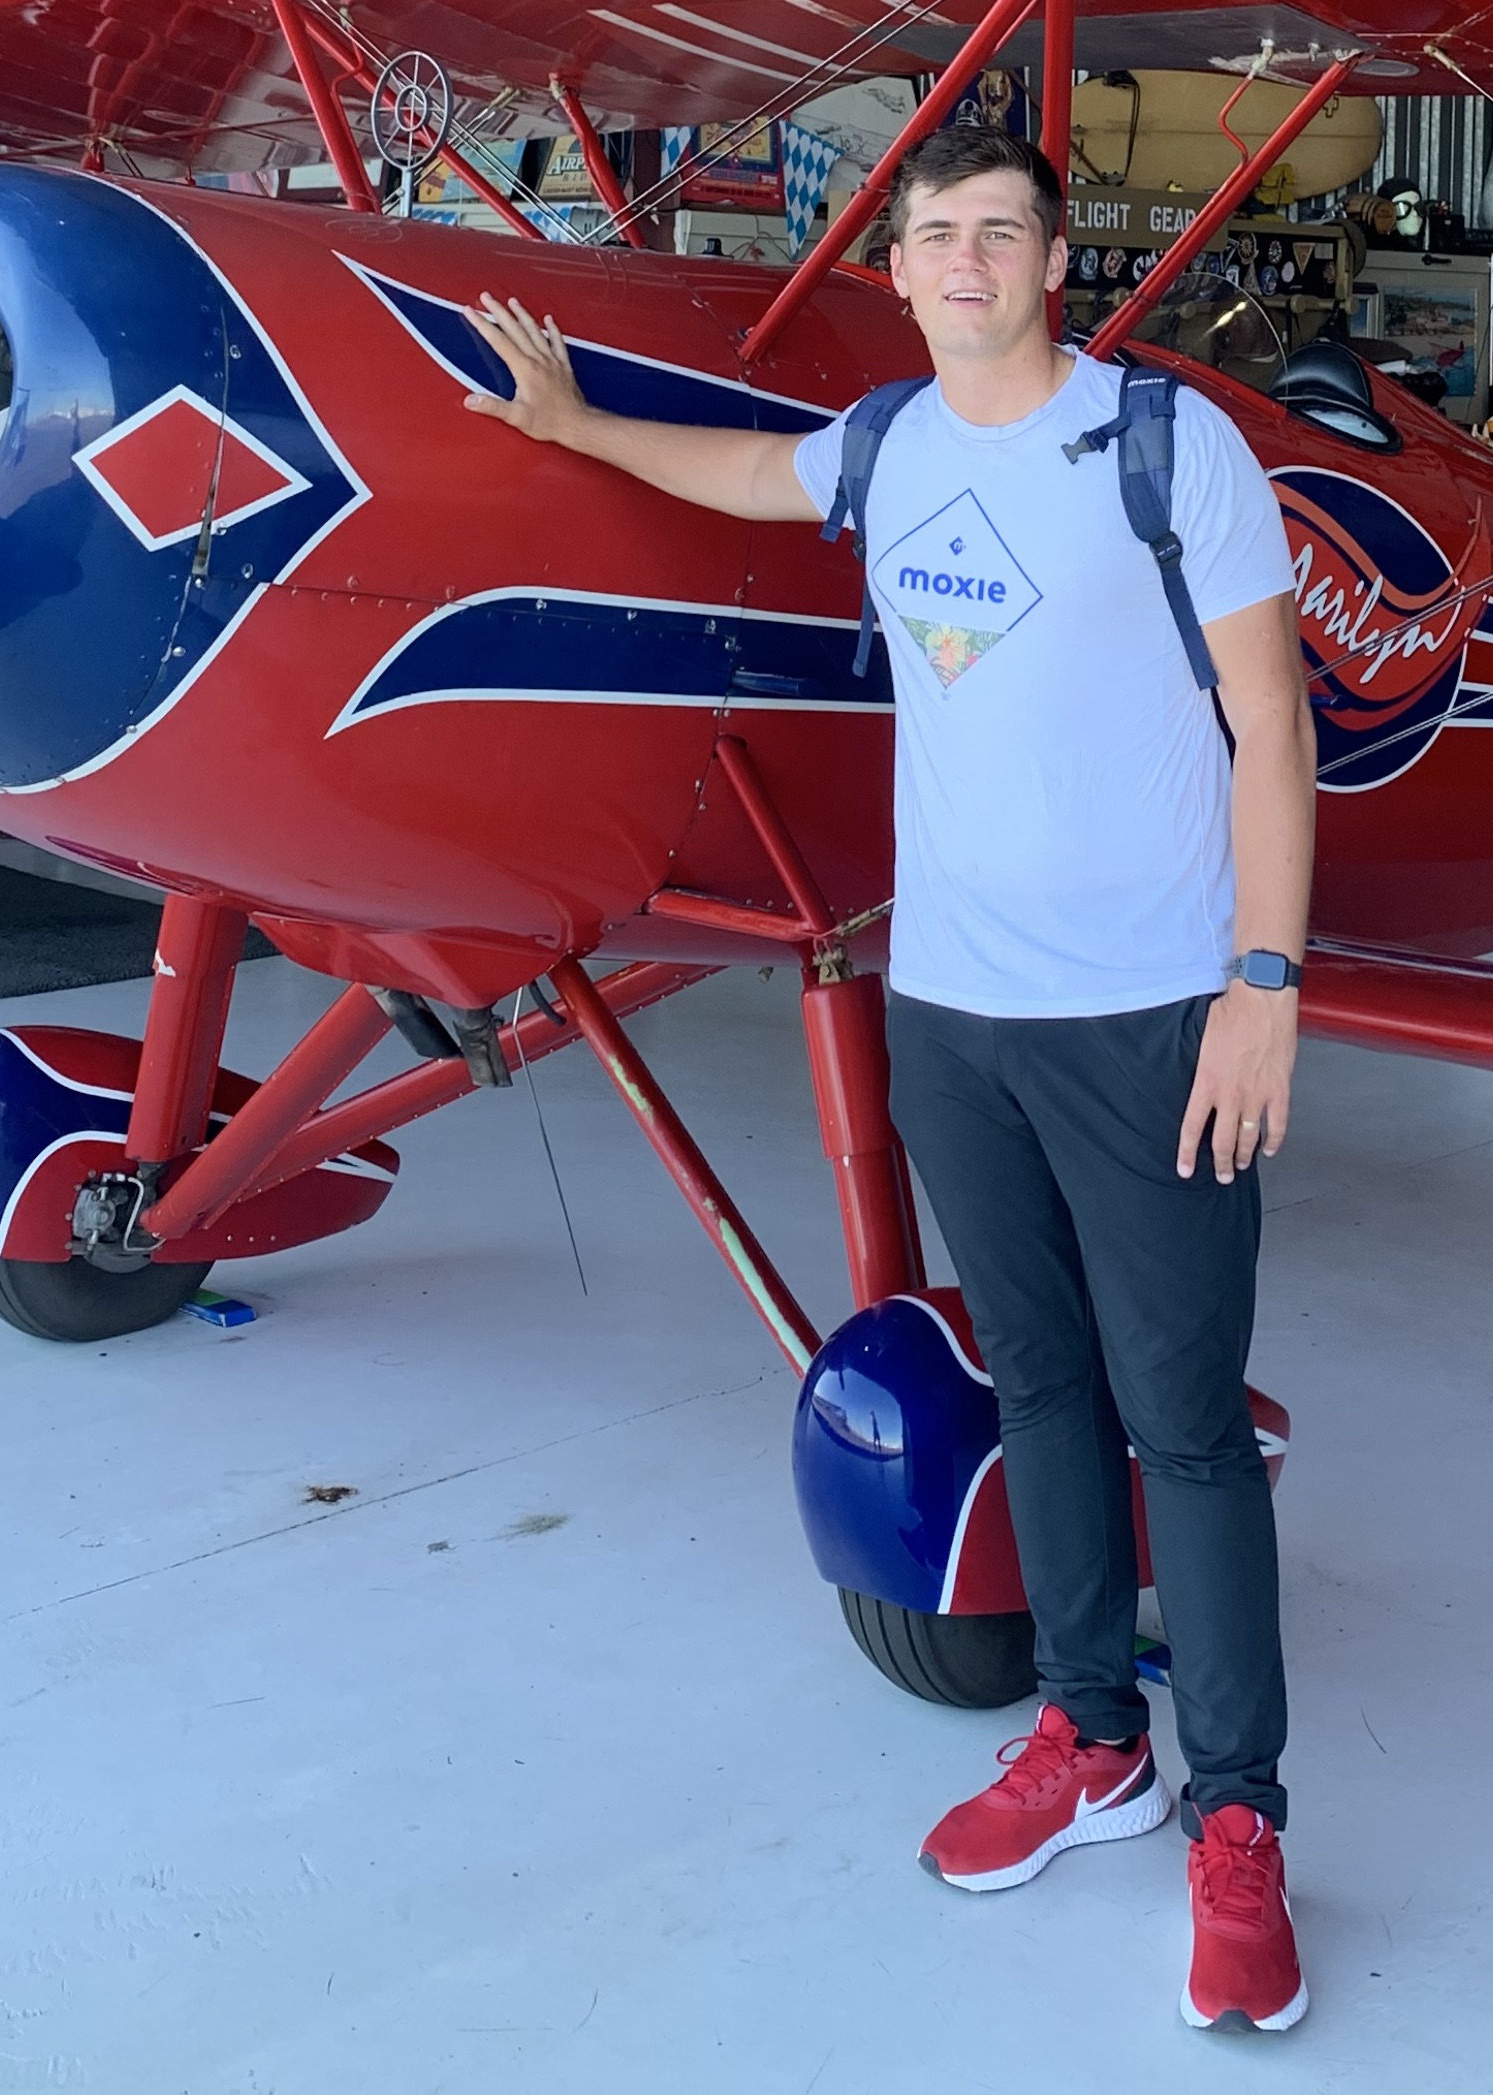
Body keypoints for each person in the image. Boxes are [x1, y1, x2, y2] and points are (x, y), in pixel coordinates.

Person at [460, 125, 1318, 2035]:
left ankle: (1239, 1825)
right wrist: (567, 424)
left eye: (998, 232)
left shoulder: (1171, 448)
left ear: (1051, 260)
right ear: (903, 268)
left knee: (1182, 1426)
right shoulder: (890, 444)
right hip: (956, 1014)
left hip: (1152, 1015)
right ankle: (1092, 1742)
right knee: (1040, 1388)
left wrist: (1263, 983)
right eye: (934, 235)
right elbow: (759, 473)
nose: (964, 261)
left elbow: (1270, 728)